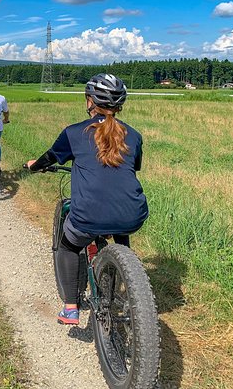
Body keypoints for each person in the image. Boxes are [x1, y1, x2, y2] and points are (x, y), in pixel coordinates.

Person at [25, 73, 148, 325]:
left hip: (89, 215)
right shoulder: (133, 135)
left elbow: (49, 158)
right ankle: (122, 267)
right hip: (133, 213)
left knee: (68, 246)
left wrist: (34, 166)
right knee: (118, 226)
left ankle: (70, 307)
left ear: (90, 101)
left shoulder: (74, 133)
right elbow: (132, 168)